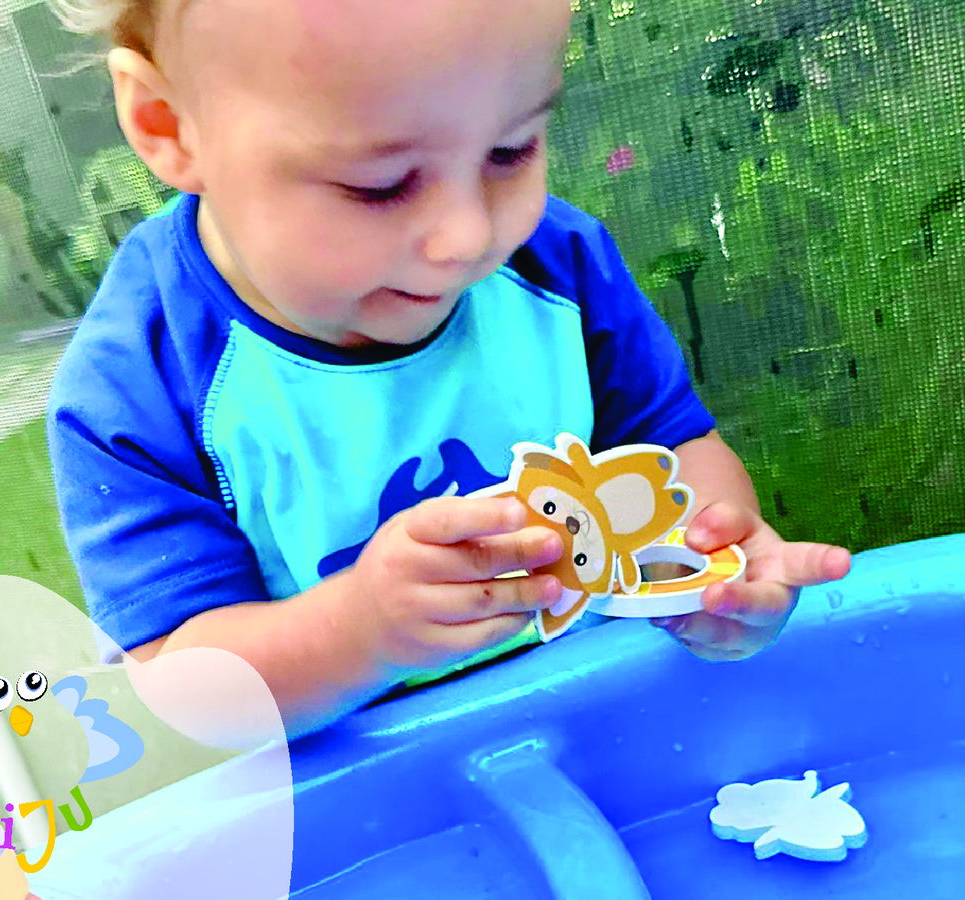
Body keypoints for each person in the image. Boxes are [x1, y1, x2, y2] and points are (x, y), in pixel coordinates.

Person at [47, 0, 851, 738]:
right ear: (168, 124)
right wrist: (361, 631)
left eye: (510, 150)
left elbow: (675, 456)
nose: (466, 236)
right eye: (380, 185)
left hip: (599, 726)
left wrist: (713, 572)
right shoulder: (139, 386)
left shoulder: (558, 267)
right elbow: (187, 692)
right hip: (369, 800)